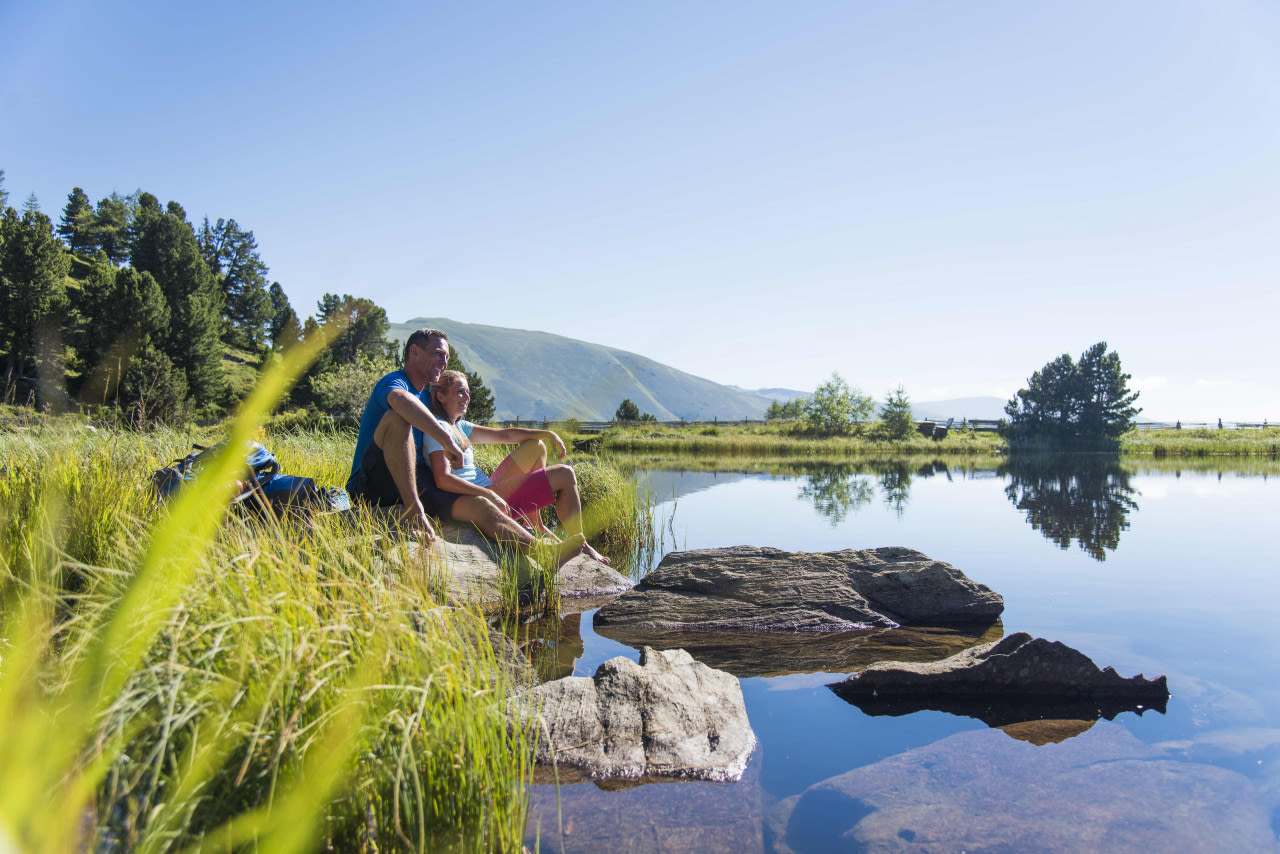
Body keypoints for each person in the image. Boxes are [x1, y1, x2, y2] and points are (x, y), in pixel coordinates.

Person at [420, 369, 609, 565]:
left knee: (536, 446)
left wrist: (547, 434)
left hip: (489, 488)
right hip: (479, 497)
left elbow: (505, 436)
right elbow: (442, 479)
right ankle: (582, 545)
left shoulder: (460, 426)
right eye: (460, 391)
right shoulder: (437, 428)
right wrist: (489, 495)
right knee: (564, 474)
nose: (467, 397)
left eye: (467, 392)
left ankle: (535, 523)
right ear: (440, 396)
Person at [346, 328, 466, 542]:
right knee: (399, 418)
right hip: (371, 484)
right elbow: (401, 401)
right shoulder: (395, 381)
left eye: (446, 357)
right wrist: (446, 440)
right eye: (438, 353)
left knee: (475, 505)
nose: (444, 362)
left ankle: (537, 548)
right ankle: (413, 511)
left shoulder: (429, 398)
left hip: (413, 479)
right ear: (414, 351)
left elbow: (460, 423)